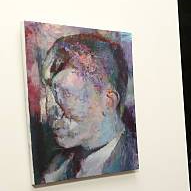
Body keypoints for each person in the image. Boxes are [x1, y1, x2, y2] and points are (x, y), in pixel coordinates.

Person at [41, 34, 138, 183]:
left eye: (66, 93)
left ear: (109, 101)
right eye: (47, 94)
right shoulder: (55, 168)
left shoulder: (133, 161)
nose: (48, 110)